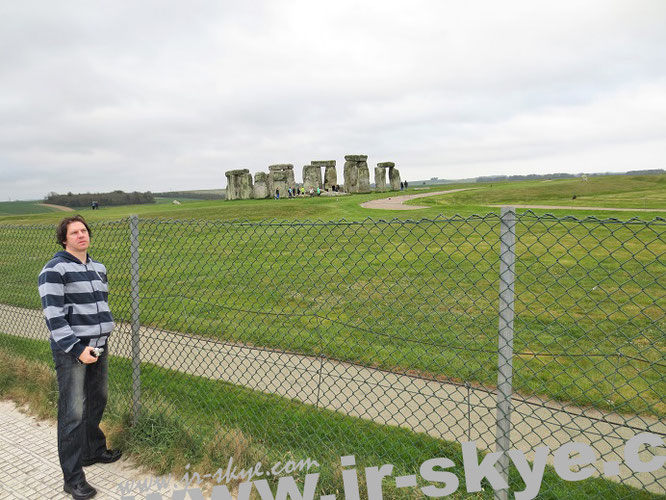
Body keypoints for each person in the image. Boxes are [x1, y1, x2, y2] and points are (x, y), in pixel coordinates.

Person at [38, 215, 121, 499]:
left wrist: (101, 338)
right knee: (72, 413)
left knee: (98, 398)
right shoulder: (53, 270)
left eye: (84, 230)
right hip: (72, 349)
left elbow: (101, 304)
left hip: (99, 346)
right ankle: (73, 479)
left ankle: (92, 450)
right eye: (74, 232)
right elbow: (54, 317)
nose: (81, 235)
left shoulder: (98, 267)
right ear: (64, 238)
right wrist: (77, 349)